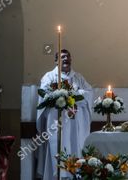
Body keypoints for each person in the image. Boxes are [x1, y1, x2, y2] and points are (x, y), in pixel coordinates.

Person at [36, 49, 93, 180]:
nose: (66, 59)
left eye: (68, 56)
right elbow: (45, 96)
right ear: (56, 61)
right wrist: (60, 96)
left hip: (75, 123)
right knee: (57, 148)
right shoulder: (49, 76)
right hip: (56, 122)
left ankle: (75, 176)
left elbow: (89, 93)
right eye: (62, 57)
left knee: (75, 146)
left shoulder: (78, 77)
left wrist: (73, 94)